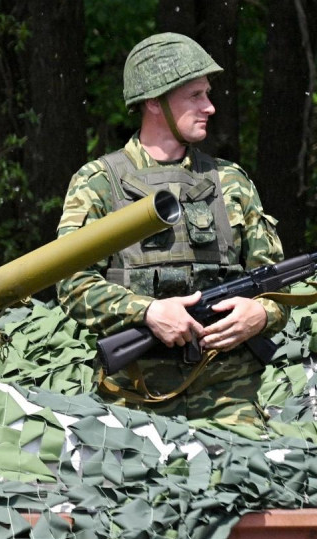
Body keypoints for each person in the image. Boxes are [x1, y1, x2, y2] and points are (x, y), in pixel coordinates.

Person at [56, 33, 288, 428]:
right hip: (132, 398)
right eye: (195, 95)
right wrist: (147, 311)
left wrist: (260, 314)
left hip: (230, 400)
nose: (210, 107)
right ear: (153, 101)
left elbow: (278, 287)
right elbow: (71, 284)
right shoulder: (99, 183)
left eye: (208, 94)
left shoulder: (230, 181)